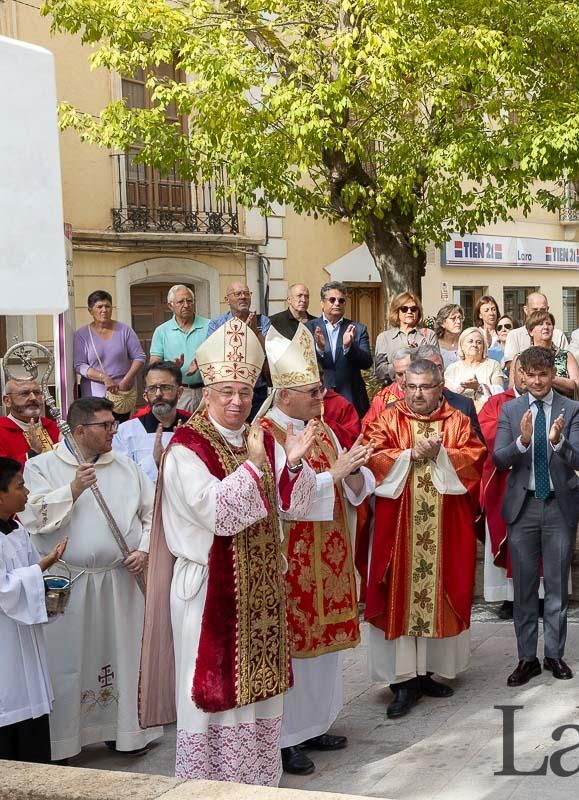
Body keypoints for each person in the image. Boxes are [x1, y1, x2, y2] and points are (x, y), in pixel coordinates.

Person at [139, 317, 321, 785]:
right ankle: (208, 790)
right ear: (206, 392)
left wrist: (293, 464)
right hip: (207, 597)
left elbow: (293, 507)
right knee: (213, 707)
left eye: (245, 391)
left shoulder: (260, 440)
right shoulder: (186, 448)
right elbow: (220, 516)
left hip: (258, 593)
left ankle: (259, 786)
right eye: (226, 392)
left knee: (259, 703)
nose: (238, 401)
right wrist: (257, 466)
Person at [258, 325, 374, 777]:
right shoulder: (265, 435)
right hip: (293, 561)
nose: (320, 396)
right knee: (296, 654)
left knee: (324, 656)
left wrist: (355, 472)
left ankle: (315, 725)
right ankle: (286, 739)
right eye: (311, 391)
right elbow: (278, 498)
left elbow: (353, 483)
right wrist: (335, 475)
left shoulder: (321, 429)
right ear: (285, 394)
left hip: (331, 555)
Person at [22, 396, 160, 761]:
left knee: (124, 655)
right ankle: (66, 740)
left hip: (119, 580)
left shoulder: (127, 467)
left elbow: (152, 513)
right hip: (71, 583)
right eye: (105, 426)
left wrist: (144, 549)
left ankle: (125, 731)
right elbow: (31, 515)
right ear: (79, 430)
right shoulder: (42, 467)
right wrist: (72, 490)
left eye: (114, 424)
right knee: (68, 661)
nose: (114, 430)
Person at [361, 359, 486, 719]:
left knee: (441, 592)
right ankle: (403, 681)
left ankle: (428, 672)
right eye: (411, 387)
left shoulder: (457, 421)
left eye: (425, 387)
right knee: (398, 593)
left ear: (440, 386)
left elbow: (476, 458)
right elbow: (370, 457)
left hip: (444, 529)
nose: (417, 394)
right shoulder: (388, 418)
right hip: (397, 533)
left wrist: (443, 454)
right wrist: (408, 454)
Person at [493, 347, 579, 686]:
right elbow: (499, 459)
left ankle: (554, 654)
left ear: (552, 375)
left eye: (542, 374)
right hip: (524, 507)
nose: (536, 380)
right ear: (520, 375)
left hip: (559, 507)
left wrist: (558, 441)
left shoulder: (572, 408)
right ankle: (526, 658)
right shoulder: (510, 409)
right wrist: (522, 440)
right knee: (524, 587)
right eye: (529, 375)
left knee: (558, 585)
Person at [0, 456, 68, 764]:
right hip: (5, 641)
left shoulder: (16, 528)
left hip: (23, 634)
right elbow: (5, 588)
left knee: (31, 706)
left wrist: (47, 593)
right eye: (20, 485)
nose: (27, 492)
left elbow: (27, 577)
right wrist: (44, 564)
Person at [479, 362, 524, 615]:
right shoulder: (496, 402)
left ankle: (539, 596)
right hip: (503, 480)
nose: (526, 376)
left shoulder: (551, 401)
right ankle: (508, 597)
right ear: (512, 373)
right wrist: (520, 437)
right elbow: (485, 432)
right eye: (521, 370)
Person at [73, 290, 146, 420]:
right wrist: (104, 378)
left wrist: (126, 381)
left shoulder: (124, 330)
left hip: (121, 395)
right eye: (99, 306)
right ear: (90, 310)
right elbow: (79, 365)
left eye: (107, 306)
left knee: (120, 430)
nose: (104, 310)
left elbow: (139, 357)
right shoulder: (82, 335)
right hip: (94, 396)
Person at [112, 361, 190, 482]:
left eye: (165, 387)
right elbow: (122, 480)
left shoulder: (194, 428)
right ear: (145, 395)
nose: (158, 394)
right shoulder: (125, 432)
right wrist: (154, 462)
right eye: (152, 388)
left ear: (179, 392)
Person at [307, 281, 372, 417]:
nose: (337, 303)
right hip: (318, 397)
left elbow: (367, 363)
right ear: (322, 303)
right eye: (332, 299)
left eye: (341, 300)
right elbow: (303, 363)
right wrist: (319, 348)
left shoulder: (358, 329)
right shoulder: (309, 328)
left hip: (351, 398)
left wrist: (349, 347)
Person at [207, 282, 272, 416]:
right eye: (238, 294)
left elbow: (268, 351)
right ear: (227, 299)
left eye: (246, 293)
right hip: (227, 390)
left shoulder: (262, 321)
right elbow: (212, 354)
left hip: (257, 389)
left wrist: (255, 332)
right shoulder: (217, 324)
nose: (243, 297)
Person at [147, 285, 209, 412]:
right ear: (171, 306)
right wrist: (171, 366)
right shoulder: (162, 331)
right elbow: (153, 365)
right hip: (178, 392)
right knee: (179, 429)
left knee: (206, 430)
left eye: (189, 301)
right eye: (181, 301)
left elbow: (219, 355)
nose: (186, 305)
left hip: (206, 391)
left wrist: (201, 363)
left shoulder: (209, 325)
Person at [374, 292, 436, 384]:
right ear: (397, 312)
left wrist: (417, 357)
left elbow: (435, 366)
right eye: (404, 309)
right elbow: (379, 372)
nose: (409, 312)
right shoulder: (384, 338)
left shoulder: (428, 335)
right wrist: (403, 362)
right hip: (394, 391)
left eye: (413, 309)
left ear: (418, 312)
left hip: (422, 389)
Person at [0, 379, 60, 466]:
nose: (33, 398)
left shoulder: (54, 427)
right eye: (24, 393)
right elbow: (4, 474)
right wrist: (33, 452)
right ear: (7, 401)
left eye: (36, 392)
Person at [444, 326, 504, 410]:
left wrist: (479, 387)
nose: (474, 345)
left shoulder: (493, 364)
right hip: (459, 415)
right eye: (470, 341)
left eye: (479, 342)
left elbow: (500, 392)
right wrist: (460, 390)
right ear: (462, 345)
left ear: (484, 347)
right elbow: (446, 396)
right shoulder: (452, 368)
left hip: (487, 413)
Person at [526, 310, 579, 399]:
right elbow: (516, 386)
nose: (545, 327)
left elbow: (578, 385)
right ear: (530, 331)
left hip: (562, 407)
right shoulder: (522, 358)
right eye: (540, 324)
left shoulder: (566, 355)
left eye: (549, 324)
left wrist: (551, 378)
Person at [503, 292, 569, 364]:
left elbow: (567, 361)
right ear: (525, 310)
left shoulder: (558, 335)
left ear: (547, 309)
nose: (538, 313)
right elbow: (511, 365)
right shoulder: (514, 335)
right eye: (535, 310)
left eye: (542, 310)